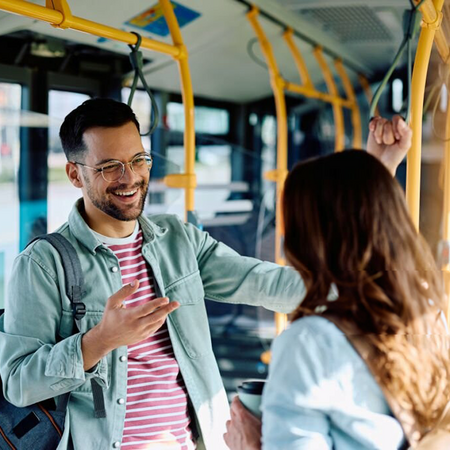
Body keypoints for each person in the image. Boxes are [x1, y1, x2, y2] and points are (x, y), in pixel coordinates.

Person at [0, 99, 407, 450]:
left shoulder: (178, 240)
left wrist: (374, 175)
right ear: (75, 175)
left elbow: (272, 284)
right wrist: (99, 341)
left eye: (138, 159)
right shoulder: (42, 264)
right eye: (109, 166)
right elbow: (19, 382)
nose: (129, 177)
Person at [224, 119, 450, 449]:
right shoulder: (433, 317)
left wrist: (250, 445)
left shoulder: (309, 345)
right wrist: (375, 175)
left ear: (309, 239)